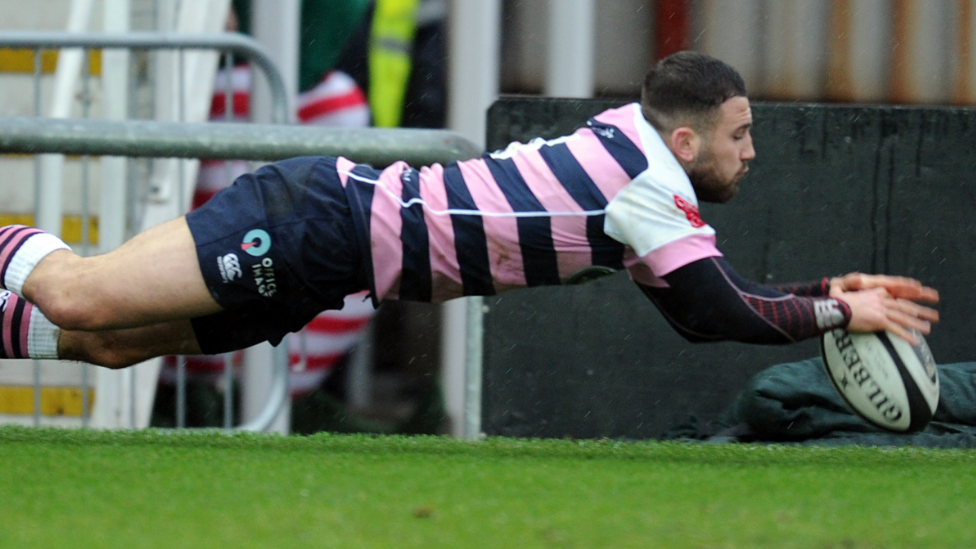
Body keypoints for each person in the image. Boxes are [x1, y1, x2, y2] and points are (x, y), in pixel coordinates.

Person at [0, 51, 939, 368]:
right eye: (740, 134)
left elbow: (709, 292)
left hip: (331, 261)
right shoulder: (649, 185)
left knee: (109, 345)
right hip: (315, 216)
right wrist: (835, 312)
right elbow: (713, 311)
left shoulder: (642, 154)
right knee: (80, 299)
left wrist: (825, 289)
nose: (752, 151)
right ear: (685, 142)